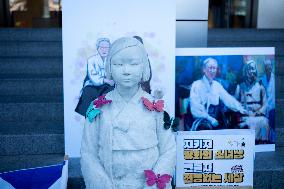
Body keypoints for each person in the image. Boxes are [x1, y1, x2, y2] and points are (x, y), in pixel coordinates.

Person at [80, 37, 176, 189]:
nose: (126, 71)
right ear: (109, 67)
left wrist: (151, 186)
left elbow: (169, 150)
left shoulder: (158, 108)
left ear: (144, 67)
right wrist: (103, 184)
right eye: (118, 64)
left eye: (133, 64)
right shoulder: (96, 107)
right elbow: (88, 153)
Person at [189, 58, 247, 131]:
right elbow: (195, 109)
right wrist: (209, 119)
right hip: (201, 122)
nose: (212, 71)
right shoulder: (196, 85)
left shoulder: (217, 85)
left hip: (215, 122)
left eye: (214, 68)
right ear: (204, 69)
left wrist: (240, 108)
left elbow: (228, 99)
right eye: (210, 68)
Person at [75, 38, 115, 117]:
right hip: (93, 84)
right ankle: (89, 116)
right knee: (88, 91)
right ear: (97, 48)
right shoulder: (91, 60)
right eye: (101, 47)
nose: (104, 50)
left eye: (106, 48)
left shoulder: (112, 60)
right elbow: (93, 76)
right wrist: (105, 80)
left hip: (109, 85)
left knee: (111, 93)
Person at [235, 60, 270, 143]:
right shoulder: (240, 87)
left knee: (265, 122)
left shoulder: (261, 87)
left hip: (258, 116)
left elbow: (265, 104)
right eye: (249, 69)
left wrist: (257, 112)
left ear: (256, 71)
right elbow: (235, 105)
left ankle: (263, 144)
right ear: (245, 71)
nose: (251, 71)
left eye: (253, 69)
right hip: (245, 116)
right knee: (247, 122)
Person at [261, 59, 275, 142]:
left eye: (269, 66)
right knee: (265, 125)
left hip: (273, 107)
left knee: (272, 126)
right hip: (265, 107)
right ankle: (266, 140)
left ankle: (272, 141)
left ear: (271, 67)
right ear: (265, 68)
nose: (268, 68)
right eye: (266, 66)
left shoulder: (275, 78)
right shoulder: (262, 79)